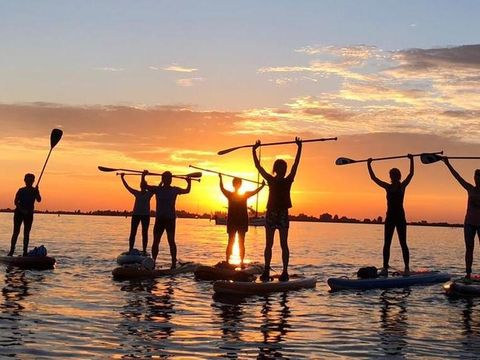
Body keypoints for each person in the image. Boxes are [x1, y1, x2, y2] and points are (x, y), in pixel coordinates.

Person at [252, 137, 302, 282]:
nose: (283, 170)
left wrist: (253, 151)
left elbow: (258, 166)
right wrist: (299, 148)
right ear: (282, 170)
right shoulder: (285, 180)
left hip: (275, 214)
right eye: (283, 168)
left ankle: (270, 271)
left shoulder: (273, 180)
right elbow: (296, 164)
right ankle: (282, 271)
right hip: (280, 214)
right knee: (282, 244)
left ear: (275, 170)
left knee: (271, 244)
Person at [367, 154, 414, 276]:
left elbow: (411, 174)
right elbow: (373, 178)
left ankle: (407, 268)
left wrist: (412, 160)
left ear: (398, 176)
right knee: (386, 243)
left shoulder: (402, 186)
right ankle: (385, 267)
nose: (392, 177)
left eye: (394, 175)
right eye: (391, 175)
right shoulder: (387, 187)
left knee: (403, 243)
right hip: (389, 218)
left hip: (400, 218)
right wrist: (369, 164)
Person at [141, 171, 191, 269]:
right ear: (163, 179)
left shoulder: (174, 189)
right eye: (167, 178)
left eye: (170, 178)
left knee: (171, 241)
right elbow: (144, 186)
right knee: (156, 241)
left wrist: (189, 182)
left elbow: (187, 190)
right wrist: (143, 176)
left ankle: (173, 263)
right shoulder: (157, 189)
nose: (169, 180)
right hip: (160, 219)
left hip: (170, 219)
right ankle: (153, 261)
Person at [442, 158, 480, 279]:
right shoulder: (470, 188)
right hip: (469, 223)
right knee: (469, 249)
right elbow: (457, 176)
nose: (477, 178)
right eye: (476, 176)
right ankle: (468, 273)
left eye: (479, 176)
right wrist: (447, 163)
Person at [219, 174, 265, 267]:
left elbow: (222, 188)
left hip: (240, 222)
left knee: (237, 242)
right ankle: (232, 261)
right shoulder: (235, 194)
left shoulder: (242, 194)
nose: (237, 185)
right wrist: (220, 178)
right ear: (237, 185)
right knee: (235, 242)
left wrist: (262, 186)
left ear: (237, 185)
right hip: (235, 222)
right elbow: (222, 188)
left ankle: (238, 262)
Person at [8, 173, 42, 256]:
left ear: (33, 181)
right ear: (24, 181)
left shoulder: (34, 190)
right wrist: (22, 210)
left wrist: (37, 192)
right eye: (27, 180)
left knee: (26, 233)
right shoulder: (21, 190)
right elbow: (15, 202)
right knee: (16, 232)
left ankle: (25, 252)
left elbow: (39, 200)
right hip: (19, 213)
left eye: (30, 180)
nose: (29, 182)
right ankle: (11, 251)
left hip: (29, 215)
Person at [120, 173, 154, 254]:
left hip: (145, 216)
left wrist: (162, 181)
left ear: (146, 186)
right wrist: (122, 178)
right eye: (141, 185)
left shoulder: (149, 193)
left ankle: (144, 250)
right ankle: (130, 249)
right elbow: (127, 187)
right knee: (133, 232)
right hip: (136, 215)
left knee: (144, 233)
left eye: (144, 185)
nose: (142, 187)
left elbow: (159, 187)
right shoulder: (137, 193)